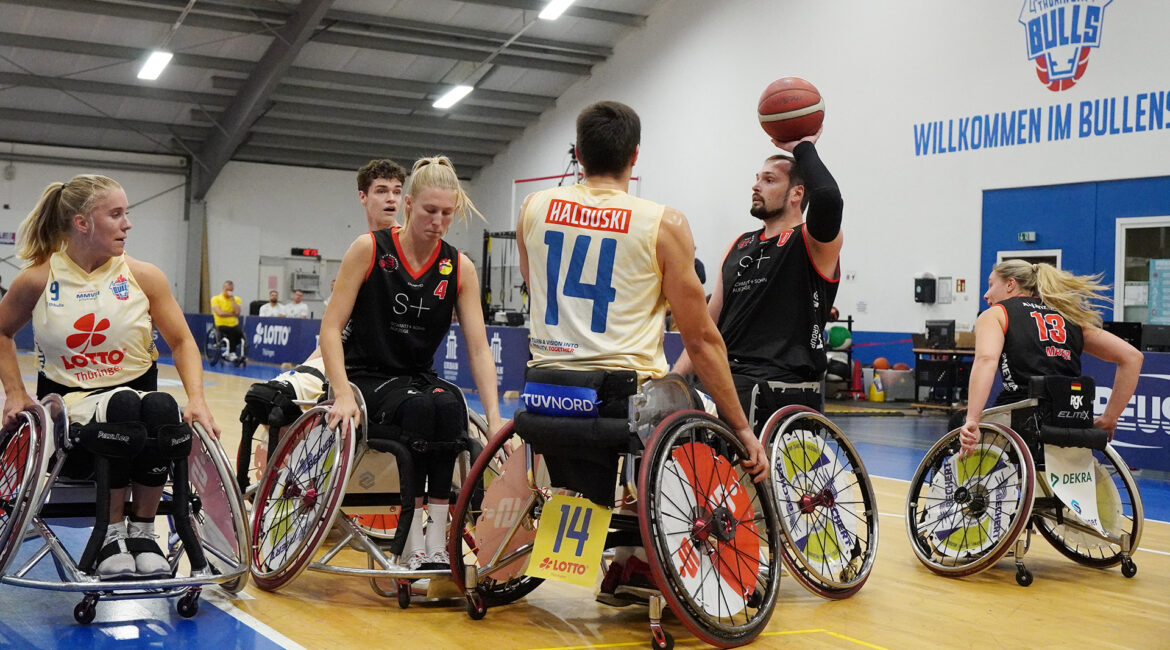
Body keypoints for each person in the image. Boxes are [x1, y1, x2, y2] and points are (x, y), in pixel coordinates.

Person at [515, 101, 767, 602]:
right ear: (634, 155)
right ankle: (654, 562)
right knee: (707, 417)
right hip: (621, 398)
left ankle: (625, 558)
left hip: (544, 392)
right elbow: (701, 340)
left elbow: (533, 283)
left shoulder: (534, 208)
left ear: (578, 154)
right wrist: (743, 429)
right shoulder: (663, 223)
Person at [0, 175, 220, 579]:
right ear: (82, 222)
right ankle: (110, 534)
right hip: (72, 417)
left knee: (158, 405)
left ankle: (143, 532)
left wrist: (198, 399)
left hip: (141, 413)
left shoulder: (143, 276)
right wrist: (14, 393)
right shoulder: (38, 278)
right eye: (116, 214)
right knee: (121, 407)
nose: (127, 224)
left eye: (127, 214)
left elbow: (183, 342)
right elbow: (2, 331)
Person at [321, 156, 502, 570]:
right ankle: (410, 535)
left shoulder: (459, 267)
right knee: (421, 408)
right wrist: (343, 392)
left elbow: (478, 348)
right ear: (409, 205)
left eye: (447, 214)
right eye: (430, 211)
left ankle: (437, 536)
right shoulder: (369, 249)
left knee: (450, 405)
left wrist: (493, 416)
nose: (438, 221)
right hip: (366, 378)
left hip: (416, 378)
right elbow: (330, 329)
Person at [235, 160, 407, 489]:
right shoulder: (361, 248)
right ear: (363, 196)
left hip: (372, 367)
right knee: (263, 398)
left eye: (397, 192)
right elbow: (337, 329)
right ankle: (287, 481)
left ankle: (298, 484)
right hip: (335, 359)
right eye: (382, 191)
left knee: (275, 401)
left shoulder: (404, 249)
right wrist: (309, 365)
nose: (391, 199)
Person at [672, 127, 843, 430]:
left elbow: (829, 199)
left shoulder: (811, 243)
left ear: (797, 194)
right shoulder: (738, 245)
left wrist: (804, 148)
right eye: (756, 178)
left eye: (769, 180)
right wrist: (673, 379)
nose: (756, 186)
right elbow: (704, 328)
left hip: (777, 386)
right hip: (725, 379)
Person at [959, 260, 1143, 454]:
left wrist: (972, 419)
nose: (986, 294)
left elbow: (986, 360)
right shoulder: (1069, 317)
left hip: (1022, 414)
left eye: (991, 285)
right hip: (1072, 417)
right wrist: (1109, 419)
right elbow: (1132, 357)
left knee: (959, 423)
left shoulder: (997, 313)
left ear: (1010, 284)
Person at [210, 279, 244, 361]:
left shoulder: (237, 299)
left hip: (234, 324)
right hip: (221, 324)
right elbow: (220, 313)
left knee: (239, 332)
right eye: (227, 290)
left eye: (231, 290)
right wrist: (232, 314)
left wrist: (232, 300)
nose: (229, 292)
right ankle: (231, 352)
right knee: (231, 332)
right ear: (223, 289)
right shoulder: (216, 299)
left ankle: (234, 353)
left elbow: (238, 312)